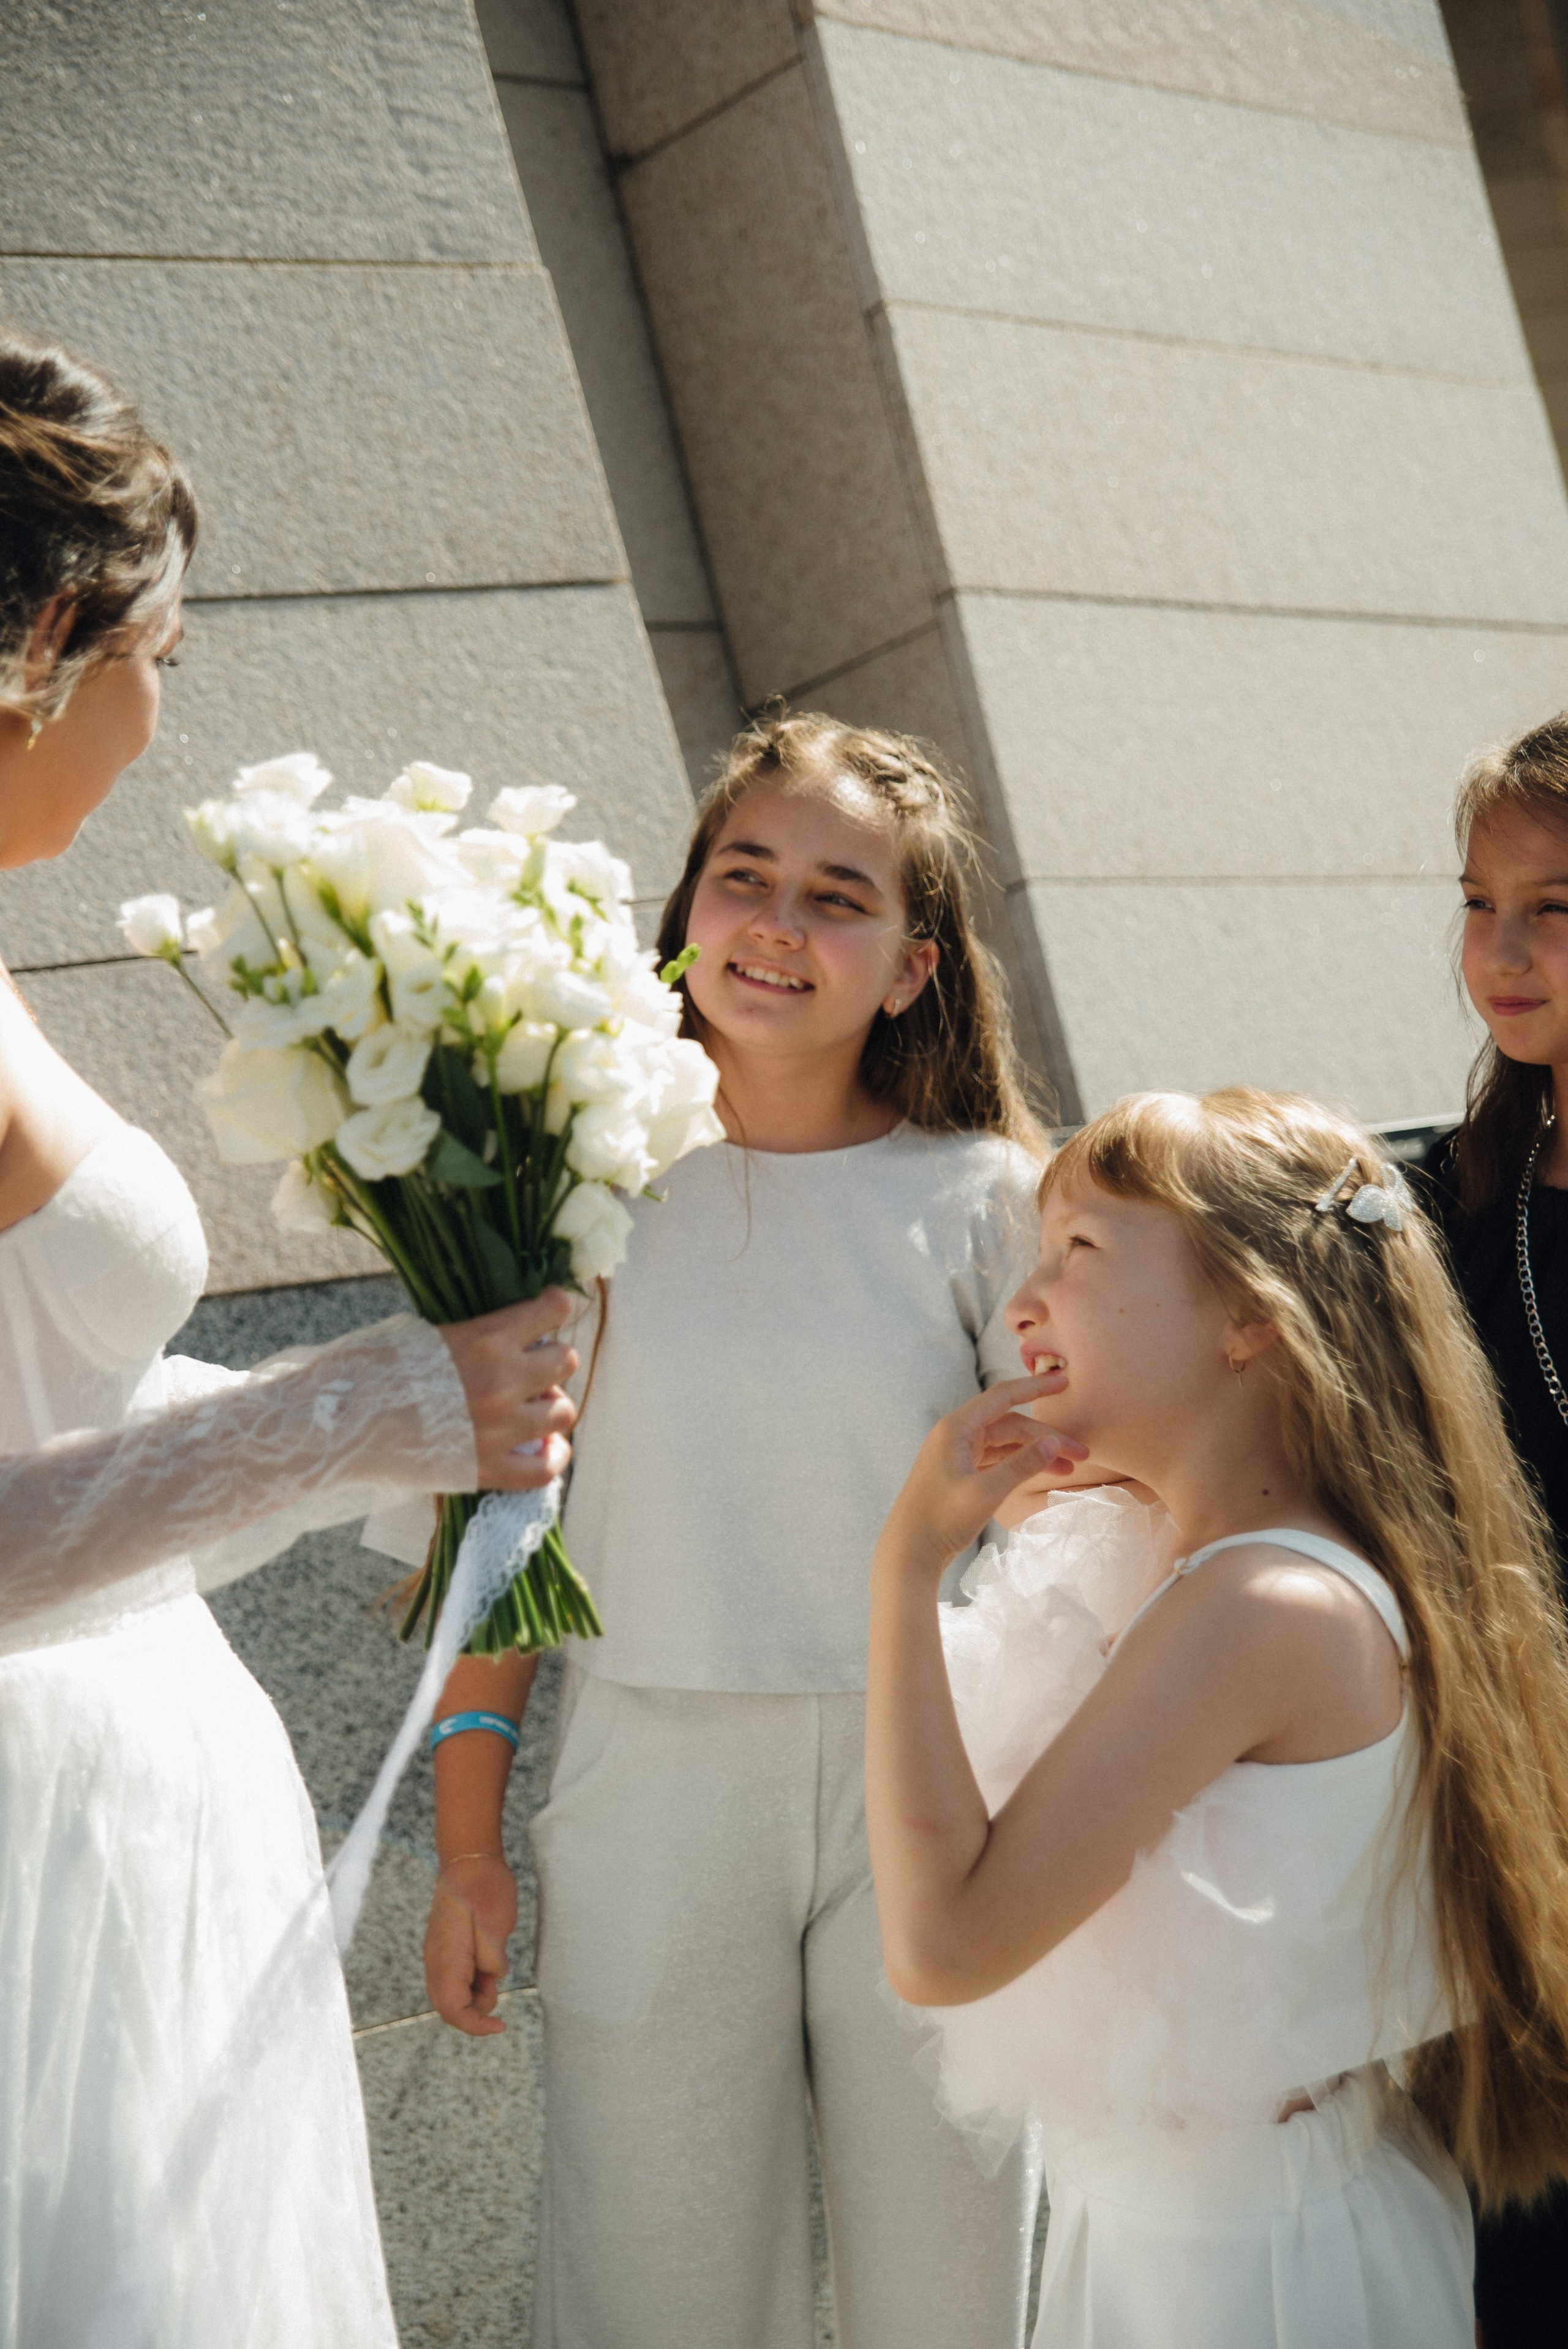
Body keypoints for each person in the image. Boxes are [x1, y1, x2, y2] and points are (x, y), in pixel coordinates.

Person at [0, 330, 578, 2347]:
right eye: (166, 657)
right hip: (42, 1850)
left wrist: (412, 1440)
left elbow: (51, 1420)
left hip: (134, 1791)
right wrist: (355, 1413)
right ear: (62, 629)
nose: (160, 721)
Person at [424, 712, 1057, 2349]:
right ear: (687, 906)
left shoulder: (988, 1197)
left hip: (939, 1781)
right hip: (649, 1780)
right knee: (658, 2277)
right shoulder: (569, 1184)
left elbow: (1078, 1522)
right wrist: (471, 1842)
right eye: (744, 874)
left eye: (839, 896)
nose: (778, 921)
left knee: (961, 2274)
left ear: (914, 967)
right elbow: (500, 1528)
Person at [865, 1085, 1568, 2347]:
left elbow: (944, 1946)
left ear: (1251, 1312)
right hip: (1201, 2216)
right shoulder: (1200, 1556)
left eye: (1078, 1252)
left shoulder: (1257, 1603)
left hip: (1248, 2267)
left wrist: (903, 1570)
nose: (1022, 1303)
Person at [1421, 711, 1568, 2347]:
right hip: (1524, 1870)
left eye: (1556, 904)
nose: (1503, 948)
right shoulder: (1449, 1208)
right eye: (1478, 900)